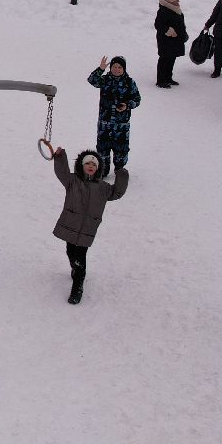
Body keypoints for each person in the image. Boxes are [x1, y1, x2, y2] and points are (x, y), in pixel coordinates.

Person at [49, 146, 130, 304]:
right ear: (81, 165)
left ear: (98, 169)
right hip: (70, 225)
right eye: (88, 164)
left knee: (81, 259)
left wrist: (122, 175)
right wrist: (60, 156)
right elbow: (62, 173)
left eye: (94, 165)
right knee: (71, 251)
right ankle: (74, 268)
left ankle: (77, 288)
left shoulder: (103, 188)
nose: (91, 167)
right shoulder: (72, 181)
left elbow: (117, 192)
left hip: (87, 229)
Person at [87, 56, 140, 175]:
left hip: (121, 125)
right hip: (104, 124)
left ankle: (119, 170)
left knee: (121, 150)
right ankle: (103, 171)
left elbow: (137, 99)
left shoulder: (129, 82)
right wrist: (100, 69)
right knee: (102, 149)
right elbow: (92, 80)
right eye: (114, 67)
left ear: (124, 69)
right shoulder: (105, 80)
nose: (117, 69)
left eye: (119, 67)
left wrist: (127, 105)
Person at [154, 0, 188, 88]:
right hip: (166, 40)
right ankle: (161, 81)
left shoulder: (175, 8)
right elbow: (158, 25)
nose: (178, 1)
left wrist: (183, 33)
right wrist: (169, 31)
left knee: (171, 59)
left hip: (175, 41)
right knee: (164, 59)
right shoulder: (163, 10)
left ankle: (168, 78)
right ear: (170, 0)